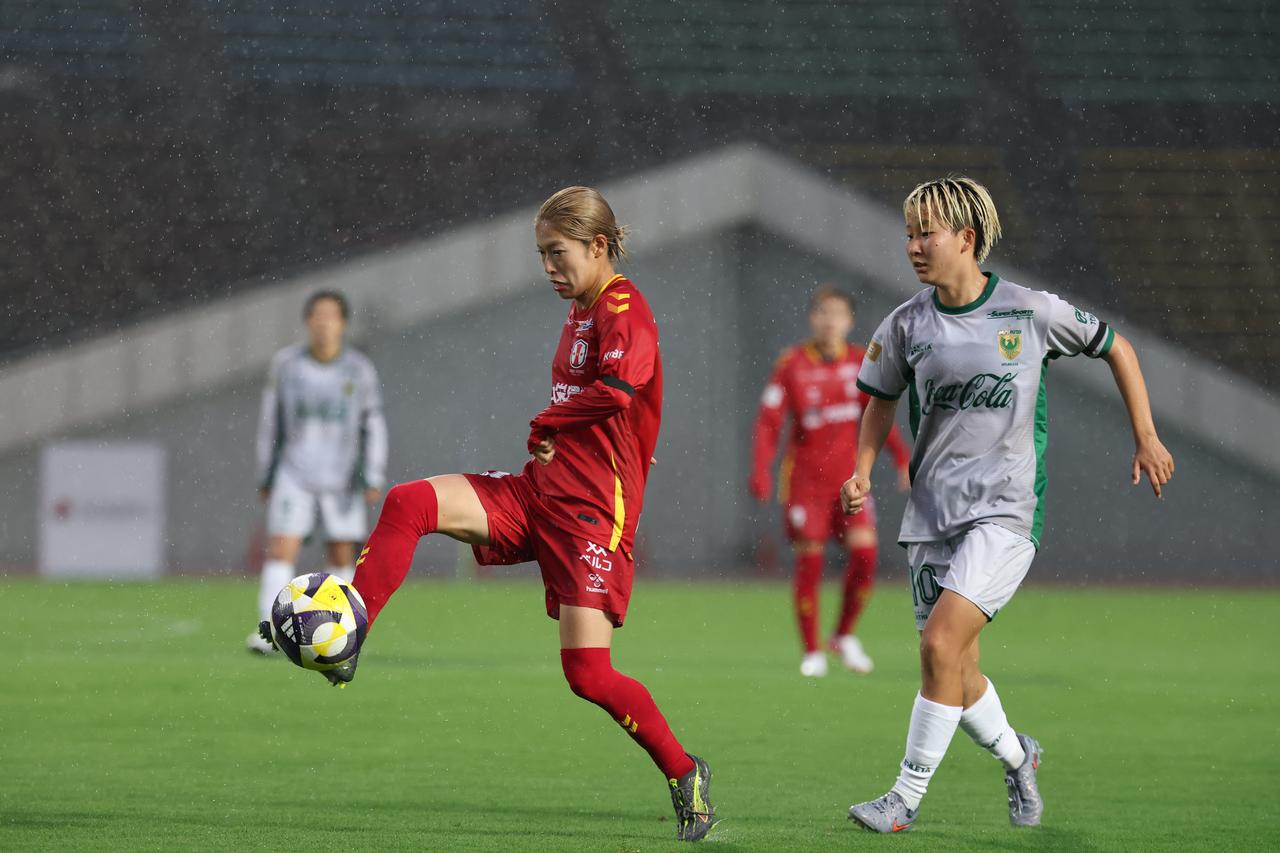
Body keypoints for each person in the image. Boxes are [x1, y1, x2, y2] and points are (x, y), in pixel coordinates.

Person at [263, 187, 715, 842]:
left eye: (557, 254)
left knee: (587, 674)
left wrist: (550, 419)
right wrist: (553, 438)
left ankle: (684, 770)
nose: (549, 269)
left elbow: (619, 392)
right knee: (409, 500)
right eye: (541, 256)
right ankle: (351, 626)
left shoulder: (626, 308)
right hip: (540, 493)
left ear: (598, 245)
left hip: (593, 516)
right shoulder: (581, 310)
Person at [840, 177, 1174, 833]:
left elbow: (1118, 347)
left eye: (925, 232)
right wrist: (860, 469)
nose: (913, 245)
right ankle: (1020, 755)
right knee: (955, 669)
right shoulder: (906, 324)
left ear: (966, 239)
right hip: (931, 517)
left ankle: (902, 799)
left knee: (939, 644)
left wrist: (1146, 434)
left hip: (1006, 514)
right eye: (908, 232)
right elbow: (879, 400)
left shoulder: (1030, 310)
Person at [749, 286, 910, 677]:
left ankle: (842, 634)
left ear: (850, 321)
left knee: (865, 554)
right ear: (812, 318)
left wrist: (902, 457)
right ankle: (811, 650)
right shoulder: (791, 364)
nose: (829, 320)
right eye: (822, 312)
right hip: (805, 482)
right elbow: (769, 422)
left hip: (850, 481)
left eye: (837, 314)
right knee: (810, 562)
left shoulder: (859, 361)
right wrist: (760, 470)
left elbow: (877, 416)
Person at [247, 290, 387, 654]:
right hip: (295, 473)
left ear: (343, 324)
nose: (324, 323)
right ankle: (270, 633)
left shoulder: (358, 370)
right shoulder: (287, 366)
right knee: (281, 548)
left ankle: (336, 634)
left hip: (342, 477)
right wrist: (267, 473)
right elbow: (269, 421)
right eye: (318, 316)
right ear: (308, 321)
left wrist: (372, 473)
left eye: (331, 316)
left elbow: (372, 423)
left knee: (341, 554)